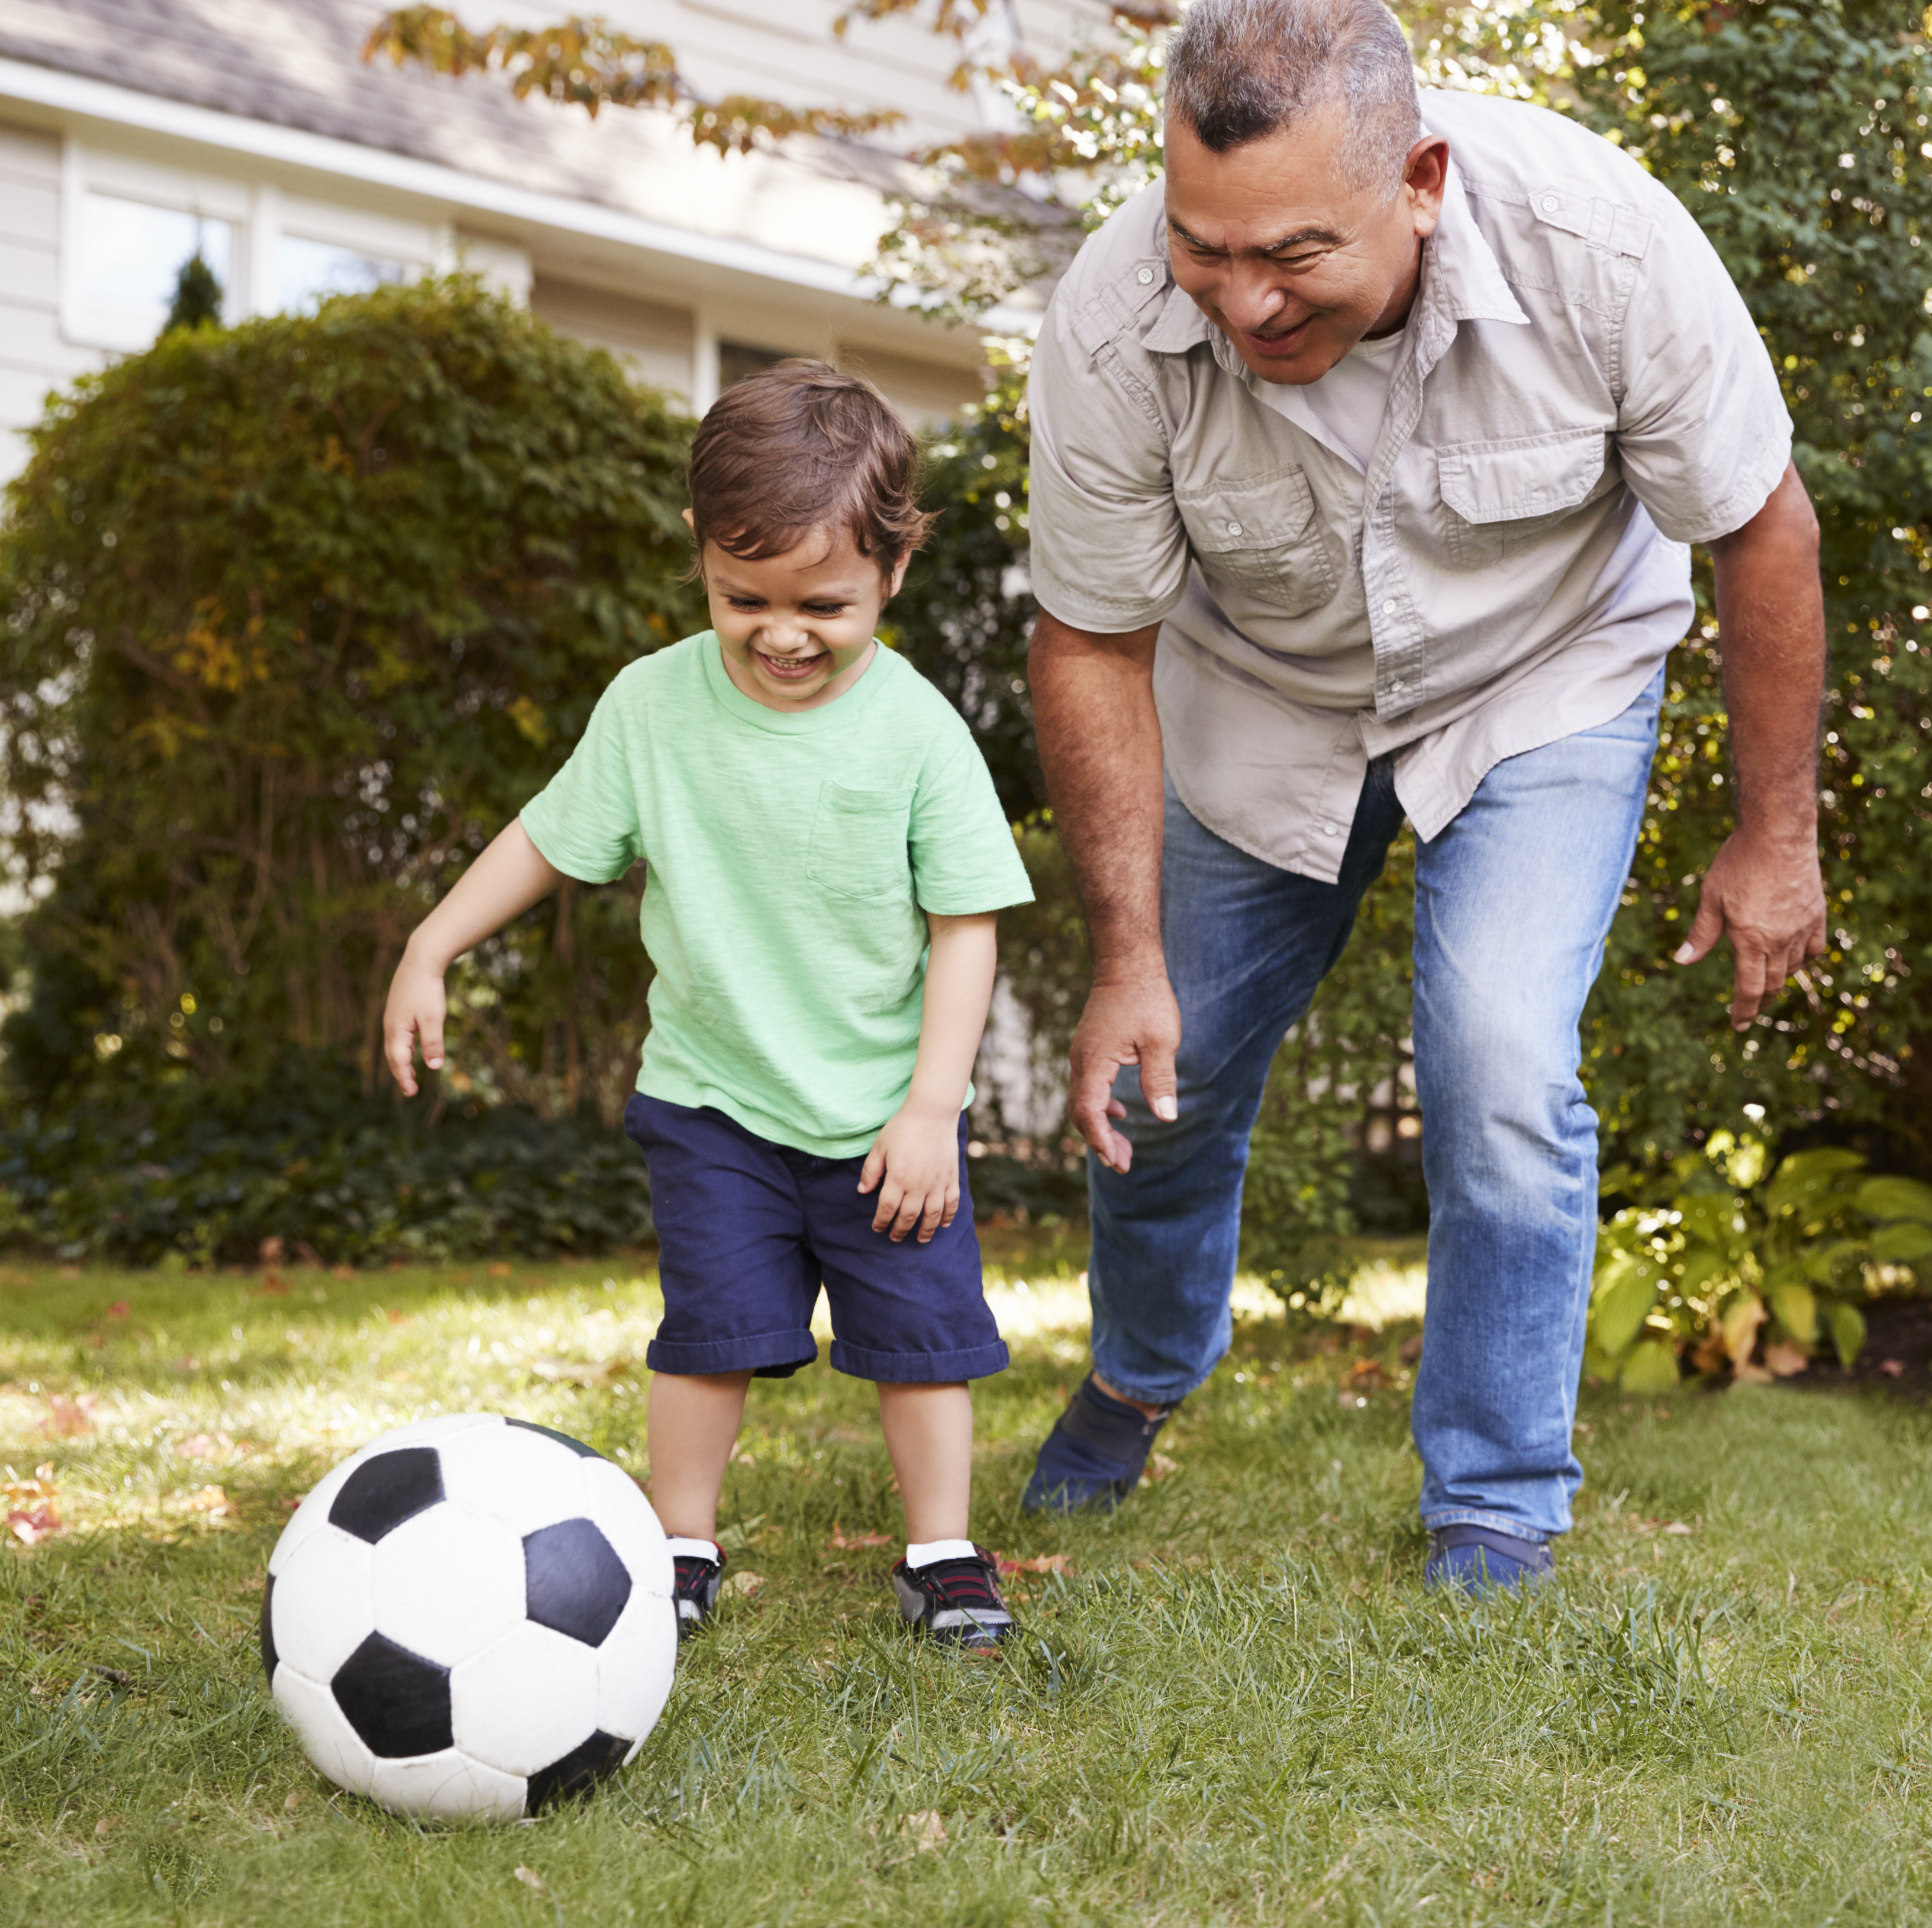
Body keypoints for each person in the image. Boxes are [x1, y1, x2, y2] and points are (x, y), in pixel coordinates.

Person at [1018, 0, 1828, 1591]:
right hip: (1261, 701)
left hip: (1547, 683)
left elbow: (1760, 526)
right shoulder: (1117, 319)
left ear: (1422, 179)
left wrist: (1774, 832)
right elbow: (1091, 641)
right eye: (1206, 247)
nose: (1246, 302)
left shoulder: (1602, 245)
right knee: (1151, 1086)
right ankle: (1139, 1369)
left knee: (1504, 1061)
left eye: (1295, 255)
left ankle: (1496, 1499)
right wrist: (1125, 953)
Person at [382, 362, 1036, 1652]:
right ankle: (677, 1542)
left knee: (923, 1342)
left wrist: (930, 1106)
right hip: (711, 1099)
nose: (782, 632)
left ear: (894, 573)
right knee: (707, 1336)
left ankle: (942, 1551)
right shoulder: (651, 705)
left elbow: (967, 926)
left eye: (824, 604)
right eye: (747, 598)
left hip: (883, 1119)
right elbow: (548, 837)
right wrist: (431, 940)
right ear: (700, 557)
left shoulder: (916, 732)